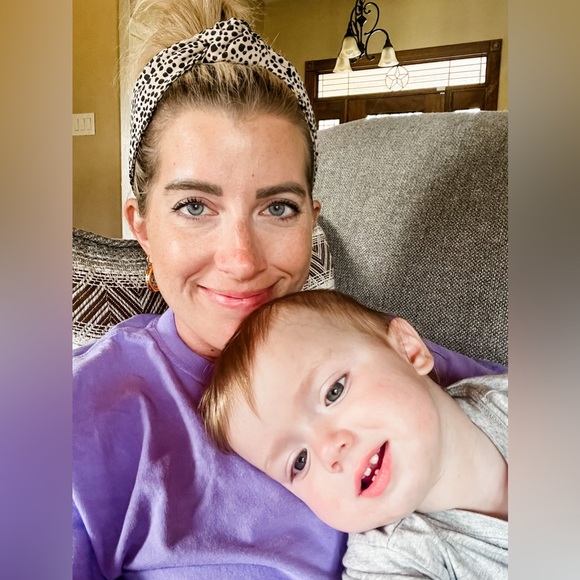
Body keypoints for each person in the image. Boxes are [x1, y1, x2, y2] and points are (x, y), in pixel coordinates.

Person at [73, 0, 506, 577]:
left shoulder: (366, 350)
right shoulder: (76, 413)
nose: (241, 260)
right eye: (195, 206)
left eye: (277, 207)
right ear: (142, 227)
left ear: (311, 220)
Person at [200, 289, 508, 579]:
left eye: (333, 392)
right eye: (299, 461)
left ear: (409, 351)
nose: (328, 449)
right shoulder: (390, 561)